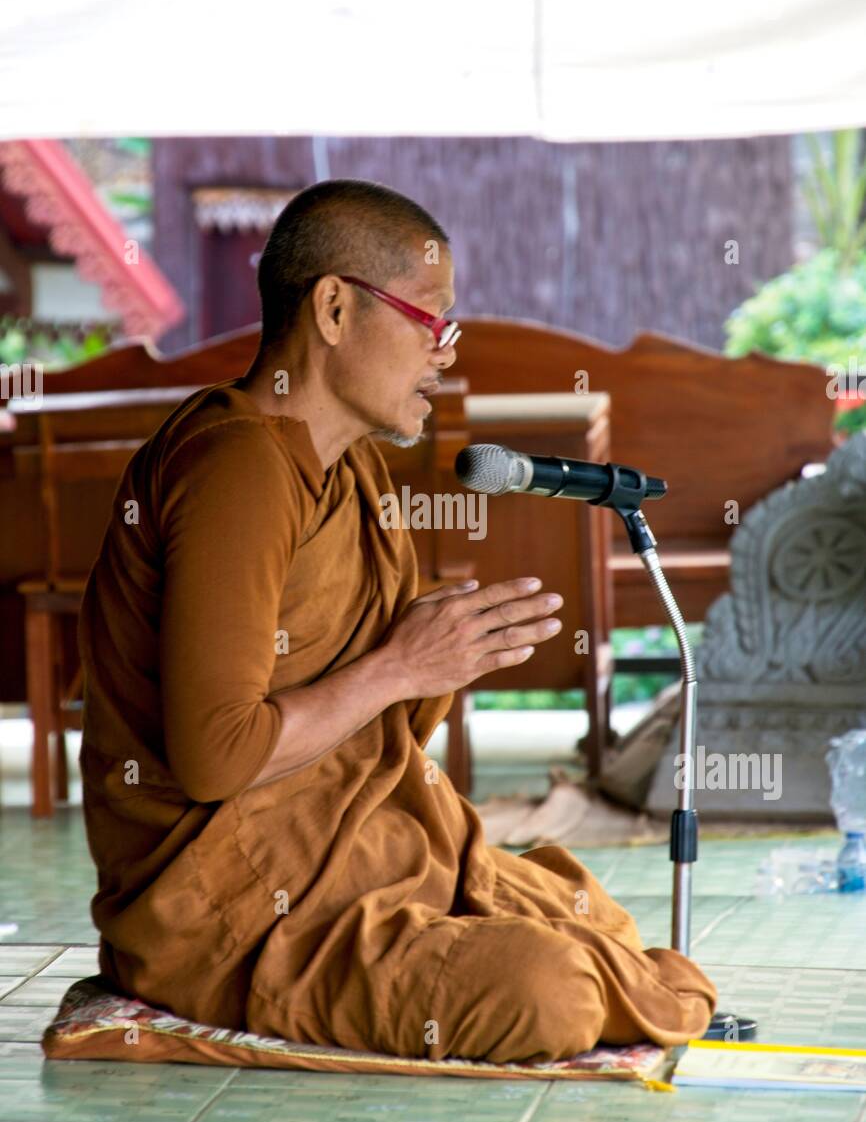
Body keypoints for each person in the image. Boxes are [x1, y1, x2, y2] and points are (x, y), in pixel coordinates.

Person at [78, 178, 716, 1064]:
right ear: (333, 310)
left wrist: (439, 662)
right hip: (228, 911)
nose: (445, 353)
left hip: (352, 860)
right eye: (429, 320)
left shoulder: (352, 474)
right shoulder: (238, 470)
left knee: (584, 913)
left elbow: (377, 742)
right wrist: (398, 668)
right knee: (552, 990)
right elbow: (216, 756)